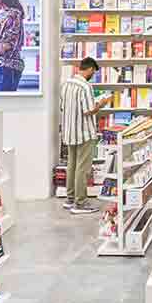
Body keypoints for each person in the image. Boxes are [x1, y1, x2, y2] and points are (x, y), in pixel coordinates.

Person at [59, 57, 110, 214]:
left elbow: (63, 107)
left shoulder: (66, 84)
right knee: (82, 167)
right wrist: (101, 104)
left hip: (69, 132)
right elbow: (88, 110)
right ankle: (80, 203)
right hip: (84, 132)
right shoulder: (86, 86)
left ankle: (70, 198)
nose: (93, 75)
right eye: (93, 72)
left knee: (72, 165)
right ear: (88, 69)